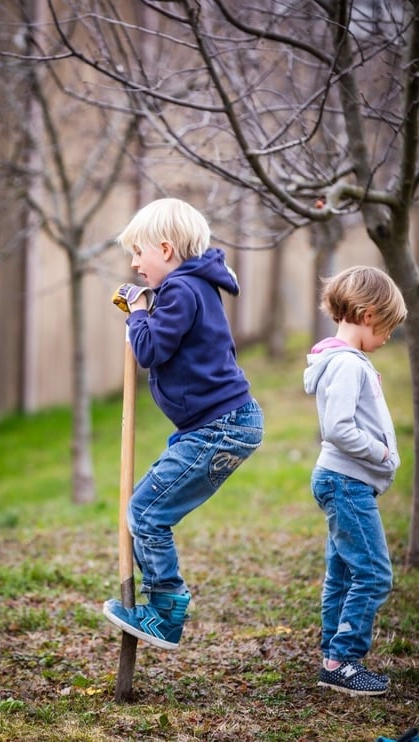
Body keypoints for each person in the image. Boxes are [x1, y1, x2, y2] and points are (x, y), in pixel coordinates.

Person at [103, 197, 264, 649]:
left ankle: (167, 612)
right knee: (147, 509)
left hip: (220, 426)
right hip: (219, 424)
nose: (135, 264)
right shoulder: (196, 288)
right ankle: (160, 606)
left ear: (166, 248)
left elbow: (151, 350)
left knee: (147, 512)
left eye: (139, 252)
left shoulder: (179, 290)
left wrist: (137, 315)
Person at [304, 265, 407, 696]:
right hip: (346, 481)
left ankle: (334, 656)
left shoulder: (346, 361)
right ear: (367, 315)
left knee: (344, 573)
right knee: (374, 574)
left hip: (342, 480)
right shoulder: (346, 365)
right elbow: (339, 428)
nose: (386, 339)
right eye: (385, 329)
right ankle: (345, 660)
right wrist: (382, 453)